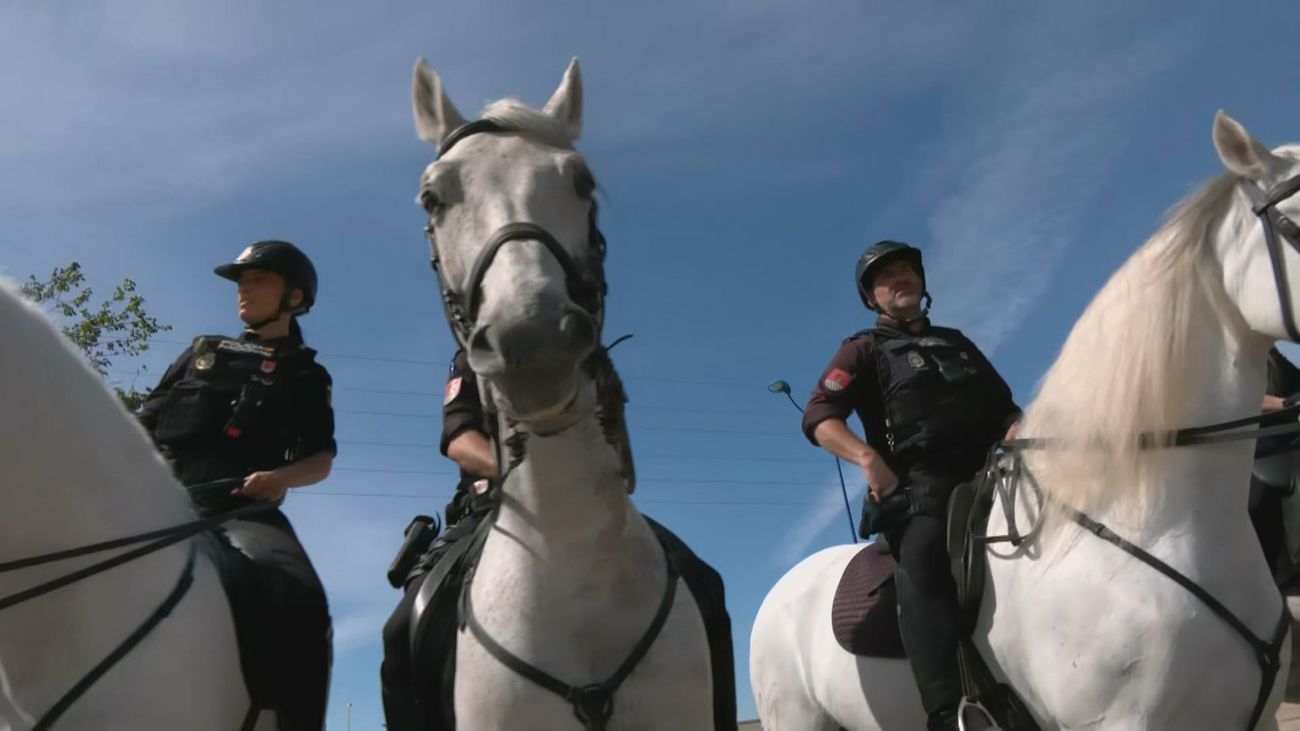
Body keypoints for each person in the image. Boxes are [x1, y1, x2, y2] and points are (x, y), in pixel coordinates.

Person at [381, 349, 738, 731]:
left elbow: (617, 442)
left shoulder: (586, 355)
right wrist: (523, 474)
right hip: (496, 504)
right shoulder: (474, 356)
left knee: (704, 584)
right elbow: (460, 439)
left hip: (593, 500)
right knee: (402, 628)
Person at [801, 241, 1021, 731]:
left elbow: (1005, 406)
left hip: (995, 471)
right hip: (924, 484)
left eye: (907, 270)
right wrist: (867, 458)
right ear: (871, 297)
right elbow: (820, 417)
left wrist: (1016, 426)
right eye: (886, 276)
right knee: (921, 558)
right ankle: (948, 710)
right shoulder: (861, 349)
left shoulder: (958, 342)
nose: (900, 279)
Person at [137, 240, 335, 730]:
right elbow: (143, 421)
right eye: (241, 282)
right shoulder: (201, 352)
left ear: (294, 297)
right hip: (160, 499)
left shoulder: (308, 375)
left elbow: (321, 458)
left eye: (259, 280)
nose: (244, 290)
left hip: (243, 511)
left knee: (302, 596)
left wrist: (279, 479)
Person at [1251, 346, 1300, 579]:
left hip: (1281, 440)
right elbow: (1248, 396)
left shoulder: (1272, 354)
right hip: (1253, 446)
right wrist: (1286, 405)